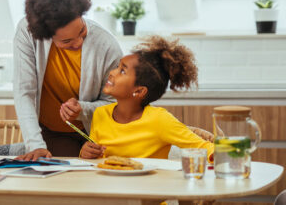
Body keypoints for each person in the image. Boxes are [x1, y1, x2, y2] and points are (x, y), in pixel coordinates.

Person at [14, 0, 122, 160]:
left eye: (81, 31)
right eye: (66, 41)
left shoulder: (106, 45)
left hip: (97, 137)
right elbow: (24, 91)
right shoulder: (27, 32)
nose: (79, 42)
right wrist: (35, 145)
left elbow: (117, 104)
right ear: (46, 36)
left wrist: (83, 109)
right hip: (49, 134)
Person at [80, 36, 214, 161]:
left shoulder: (159, 120)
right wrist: (86, 153)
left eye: (122, 71)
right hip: (109, 185)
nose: (111, 73)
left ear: (139, 91)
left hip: (151, 185)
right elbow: (95, 161)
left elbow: (203, 147)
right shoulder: (100, 114)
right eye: (117, 67)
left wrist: (224, 155)